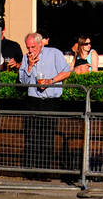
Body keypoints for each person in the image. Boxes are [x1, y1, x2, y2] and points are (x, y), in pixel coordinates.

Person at [17, 31, 73, 172]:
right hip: (33, 100)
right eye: (28, 47)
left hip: (50, 100)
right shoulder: (26, 58)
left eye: (33, 47)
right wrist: (29, 66)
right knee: (31, 136)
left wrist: (51, 81)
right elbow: (23, 81)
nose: (30, 50)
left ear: (40, 44)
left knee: (47, 136)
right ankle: (30, 170)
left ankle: (44, 170)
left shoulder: (54, 53)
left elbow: (66, 71)